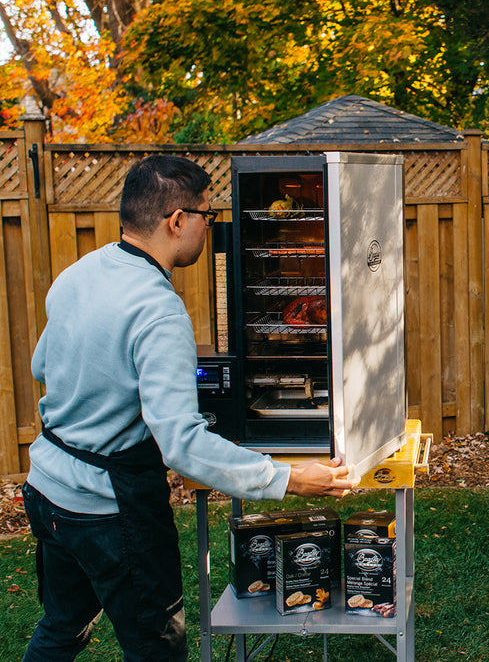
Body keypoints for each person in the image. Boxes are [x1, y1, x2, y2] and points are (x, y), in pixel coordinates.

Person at [21, 155, 360, 662]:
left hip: (47, 492)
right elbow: (182, 444)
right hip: (107, 510)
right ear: (177, 221)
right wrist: (289, 478)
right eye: (208, 215)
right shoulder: (158, 310)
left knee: (62, 627)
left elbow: (42, 365)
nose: (210, 225)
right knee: (157, 647)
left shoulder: (77, 274)